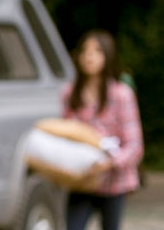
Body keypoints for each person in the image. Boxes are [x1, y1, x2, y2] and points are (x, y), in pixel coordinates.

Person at [60, 30, 142, 230]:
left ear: (107, 56)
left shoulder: (122, 94)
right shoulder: (70, 94)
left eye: (96, 51)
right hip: (82, 180)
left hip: (114, 183)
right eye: (85, 51)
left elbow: (134, 146)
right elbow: (65, 134)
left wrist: (108, 163)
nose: (89, 56)